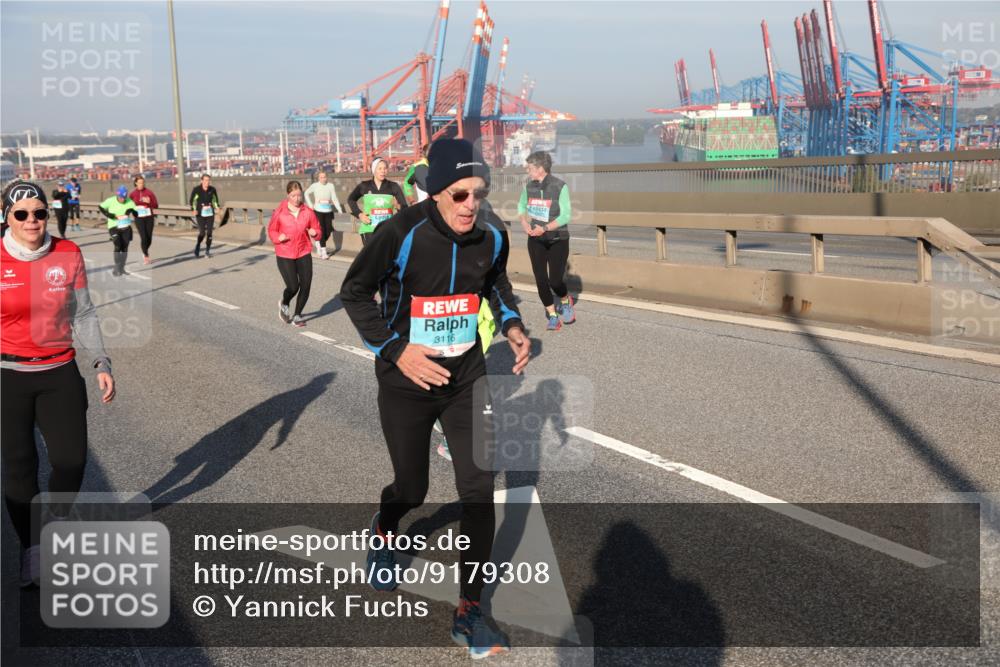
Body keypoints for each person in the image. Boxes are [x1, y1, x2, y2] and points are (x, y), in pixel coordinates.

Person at [340, 139, 530, 659]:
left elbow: (495, 283)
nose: (472, 205)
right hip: (407, 382)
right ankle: (384, 526)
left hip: (467, 376)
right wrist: (397, 351)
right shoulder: (399, 233)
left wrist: (511, 324)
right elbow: (354, 291)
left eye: (480, 194)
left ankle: (470, 611)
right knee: (413, 487)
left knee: (478, 489)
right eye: (460, 194)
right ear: (436, 191)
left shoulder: (491, 235)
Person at [0, 180, 115, 588]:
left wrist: (101, 360)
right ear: (7, 217)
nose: (32, 221)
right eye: (22, 214)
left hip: (59, 370)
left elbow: (83, 314)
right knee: (20, 468)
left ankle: (56, 520)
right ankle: (33, 549)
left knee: (70, 461)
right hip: (8, 376)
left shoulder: (68, 253)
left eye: (39, 212)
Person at [518, 151, 575, 331]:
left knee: (555, 281)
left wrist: (545, 228)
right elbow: (521, 206)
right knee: (541, 279)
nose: (528, 172)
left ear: (541, 169)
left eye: (530, 169)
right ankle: (552, 315)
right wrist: (524, 222)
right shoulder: (529, 187)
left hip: (557, 239)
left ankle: (565, 299)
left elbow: (566, 215)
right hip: (535, 239)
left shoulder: (560, 186)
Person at [268, 180, 320, 328]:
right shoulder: (280, 212)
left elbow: (317, 230)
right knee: (293, 287)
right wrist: (278, 238)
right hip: (285, 252)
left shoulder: (308, 212)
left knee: (306, 284)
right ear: (287, 195)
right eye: (293, 196)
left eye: (299, 195)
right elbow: (272, 230)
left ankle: (297, 315)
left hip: (303, 251)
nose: (297, 199)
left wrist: (315, 233)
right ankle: (285, 302)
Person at [346, 156, 406, 246]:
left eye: (385, 168)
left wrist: (397, 205)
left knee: (385, 258)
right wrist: (360, 214)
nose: (383, 171)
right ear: (374, 170)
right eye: (380, 168)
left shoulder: (393, 186)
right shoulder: (364, 186)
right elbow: (351, 199)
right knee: (371, 258)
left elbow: (405, 207)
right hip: (369, 229)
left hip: (387, 230)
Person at [98, 185, 139, 276]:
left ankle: (122, 268)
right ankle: (117, 267)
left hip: (126, 228)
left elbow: (136, 214)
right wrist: (110, 215)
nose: (122, 200)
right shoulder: (111, 200)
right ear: (117, 194)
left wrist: (132, 210)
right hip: (114, 227)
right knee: (118, 246)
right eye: (121, 197)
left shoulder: (130, 202)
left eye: (124, 198)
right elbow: (100, 207)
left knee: (125, 248)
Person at [303, 171, 343, 260]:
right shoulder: (315, 185)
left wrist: (339, 209)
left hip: (328, 211)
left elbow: (334, 198)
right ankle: (324, 252)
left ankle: (318, 242)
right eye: (321, 177)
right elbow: (306, 193)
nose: (323, 179)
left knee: (328, 231)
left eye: (324, 177)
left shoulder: (330, 186)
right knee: (321, 230)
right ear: (318, 178)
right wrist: (310, 205)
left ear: (327, 177)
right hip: (318, 211)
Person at [129, 175, 159, 264]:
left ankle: (145, 249)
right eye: (139, 183)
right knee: (144, 237)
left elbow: (156, 205)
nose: (141, 184)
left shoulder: (149, 192)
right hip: (139, 218)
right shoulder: (133, 194)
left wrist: (149, 202)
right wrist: (132, 210)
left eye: (143, 183)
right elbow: (129, 206)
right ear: (135, 183)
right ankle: (146, 255)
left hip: (149, 217)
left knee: (149, 238)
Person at [189, 173, 220, 258]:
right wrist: (194, 209)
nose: (207, 182)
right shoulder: (197, 190)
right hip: (200, 214)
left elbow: (215, 200)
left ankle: (207, 250)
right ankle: (198, 245)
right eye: (205, 180)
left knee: (209, 232)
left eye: (208, 180)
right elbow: (193, 201)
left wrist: (217, 207)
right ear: (201, 181)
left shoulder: (212, 189)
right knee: (202, 233)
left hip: (210, 213)